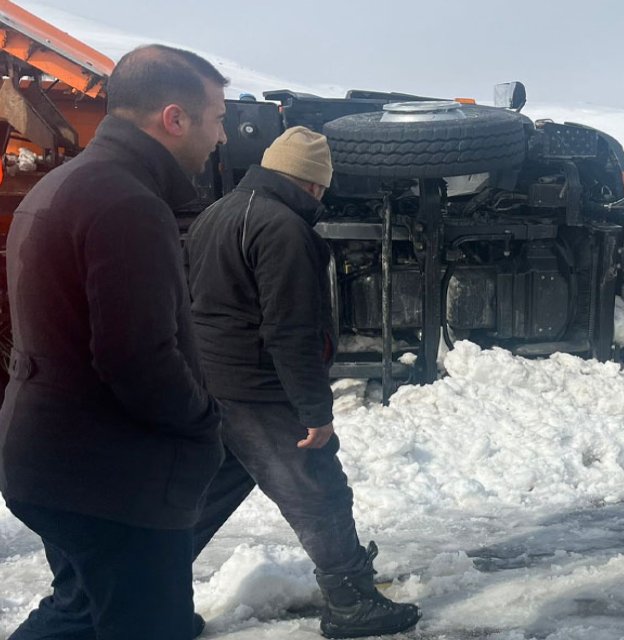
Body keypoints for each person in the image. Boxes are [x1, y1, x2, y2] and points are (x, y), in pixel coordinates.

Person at [0, 45, 226, 639]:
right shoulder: (127, 203)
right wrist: (204, 422)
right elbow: (137, 359)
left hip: (59, 463)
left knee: (77, 617)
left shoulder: (70, 183)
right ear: (174, 118)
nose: (223, 137)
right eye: (218, 118)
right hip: (110, 481)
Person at [186, 128, 420, 637]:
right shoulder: (283, 228)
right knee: (319, 490)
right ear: (313, 184)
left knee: (208, 494)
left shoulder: (218, 213)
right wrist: (315, 411)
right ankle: (351, 602)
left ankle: (150, 592)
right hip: (259, 388)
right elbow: (290, 328)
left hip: (213, 382)